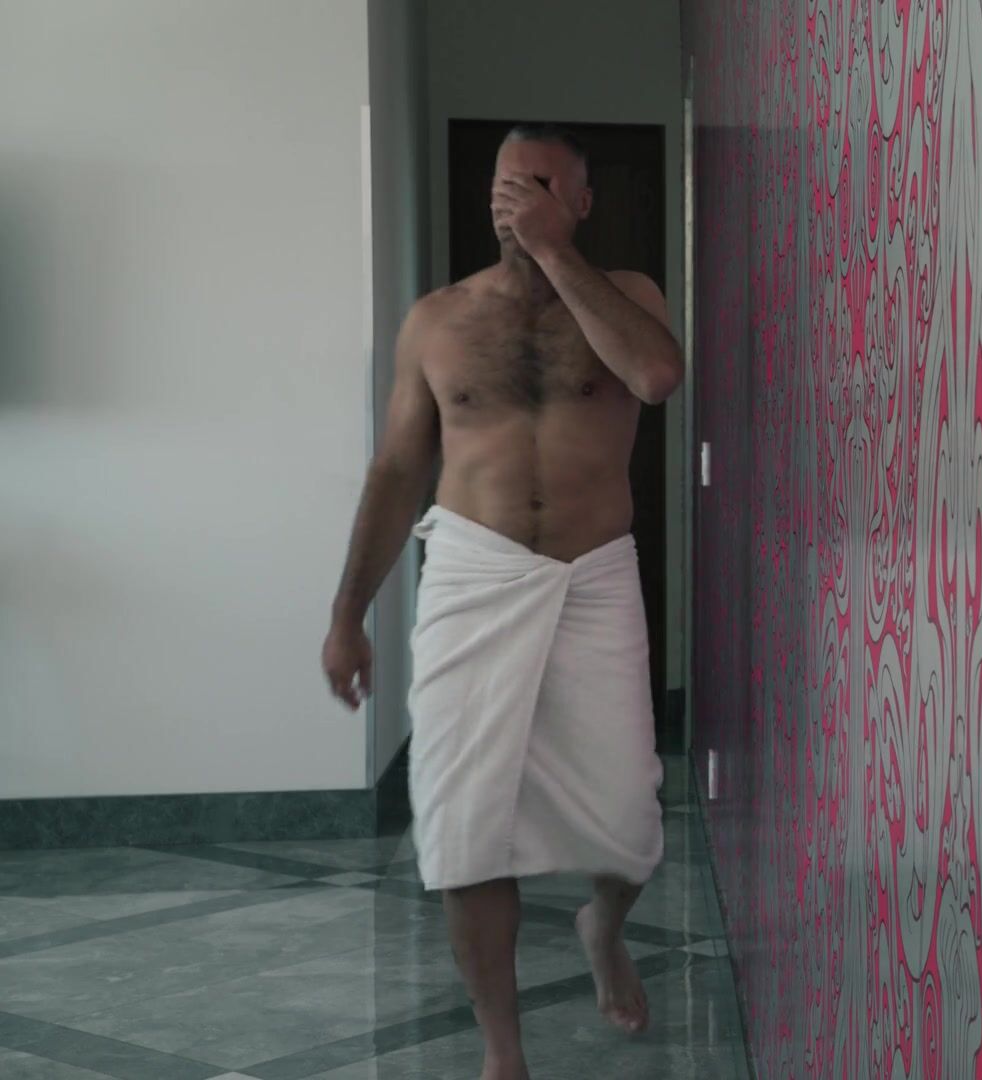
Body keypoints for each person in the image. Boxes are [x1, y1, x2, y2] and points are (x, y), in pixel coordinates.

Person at [320, 123, 680, 1080]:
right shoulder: (437, 321)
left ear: (582, 202)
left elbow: (655, 376)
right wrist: (348, 615)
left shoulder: (628, 297)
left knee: (631, 820)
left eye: (539, 183)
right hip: (473, 574)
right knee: (465, 823)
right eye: (502, 181)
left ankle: (603, 925)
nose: (512, 197)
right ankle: (503, 1054)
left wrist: (556, 254)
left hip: (592, 577)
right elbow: (398, 468)